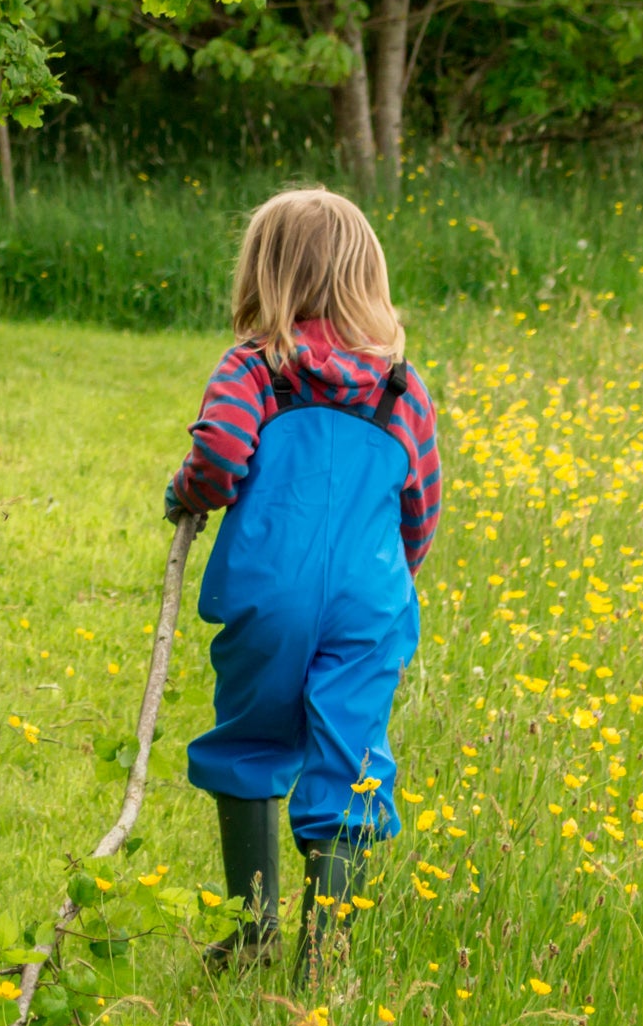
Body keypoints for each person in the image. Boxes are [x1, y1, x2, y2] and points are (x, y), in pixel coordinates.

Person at [164, 186, 440, 978]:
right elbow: (419, 506)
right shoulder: (400, 388)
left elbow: (218, 453)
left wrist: (190, 492)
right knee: (351, 760)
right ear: (367, 278)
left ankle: (254, 935)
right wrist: (391, 579)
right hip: (370, 605)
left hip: (269, 595)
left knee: (251, 744)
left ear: (266, 274)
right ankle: (325, 954)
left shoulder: (256, 368)